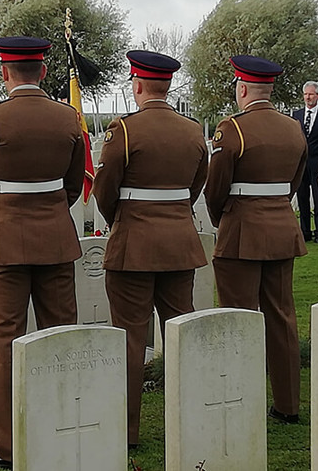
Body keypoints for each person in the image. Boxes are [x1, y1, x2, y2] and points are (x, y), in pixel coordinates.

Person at [0, 36, 84, 469]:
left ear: (5, 72)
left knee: (5, 346)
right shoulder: (68, 117)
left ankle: (8, 447)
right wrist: (48, 212)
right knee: (60, 337)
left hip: (5, 243)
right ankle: (62, 423)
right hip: (55, 239)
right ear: (44, 72)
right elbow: (72, 185)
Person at [92, 50, 208, 447]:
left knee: (128, 338)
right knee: (182, 333)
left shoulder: (124, 130)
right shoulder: (193, 130)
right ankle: (194, 418)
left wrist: (120, 222)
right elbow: (195, 187)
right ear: (169, 84)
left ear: (137, 85)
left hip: (133, 246)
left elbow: (105, 193)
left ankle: (126, 431)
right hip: (179, 244)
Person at [205, 55, 307, 423]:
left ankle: (240, 398)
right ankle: (288, 404)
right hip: (281, 227)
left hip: (241, 231)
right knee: (281, 317)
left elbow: (215, 189)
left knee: (238, 319)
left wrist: (224, 220)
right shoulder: (293, 128)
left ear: (242, 88)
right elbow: (295, 182)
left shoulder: (232, 128)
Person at [291, 81, 318, 243]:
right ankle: (305, 231)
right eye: (305, 94)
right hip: (302, 163)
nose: (308, 97)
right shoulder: (296, 115)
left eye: (311, 94)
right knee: (302, 197)